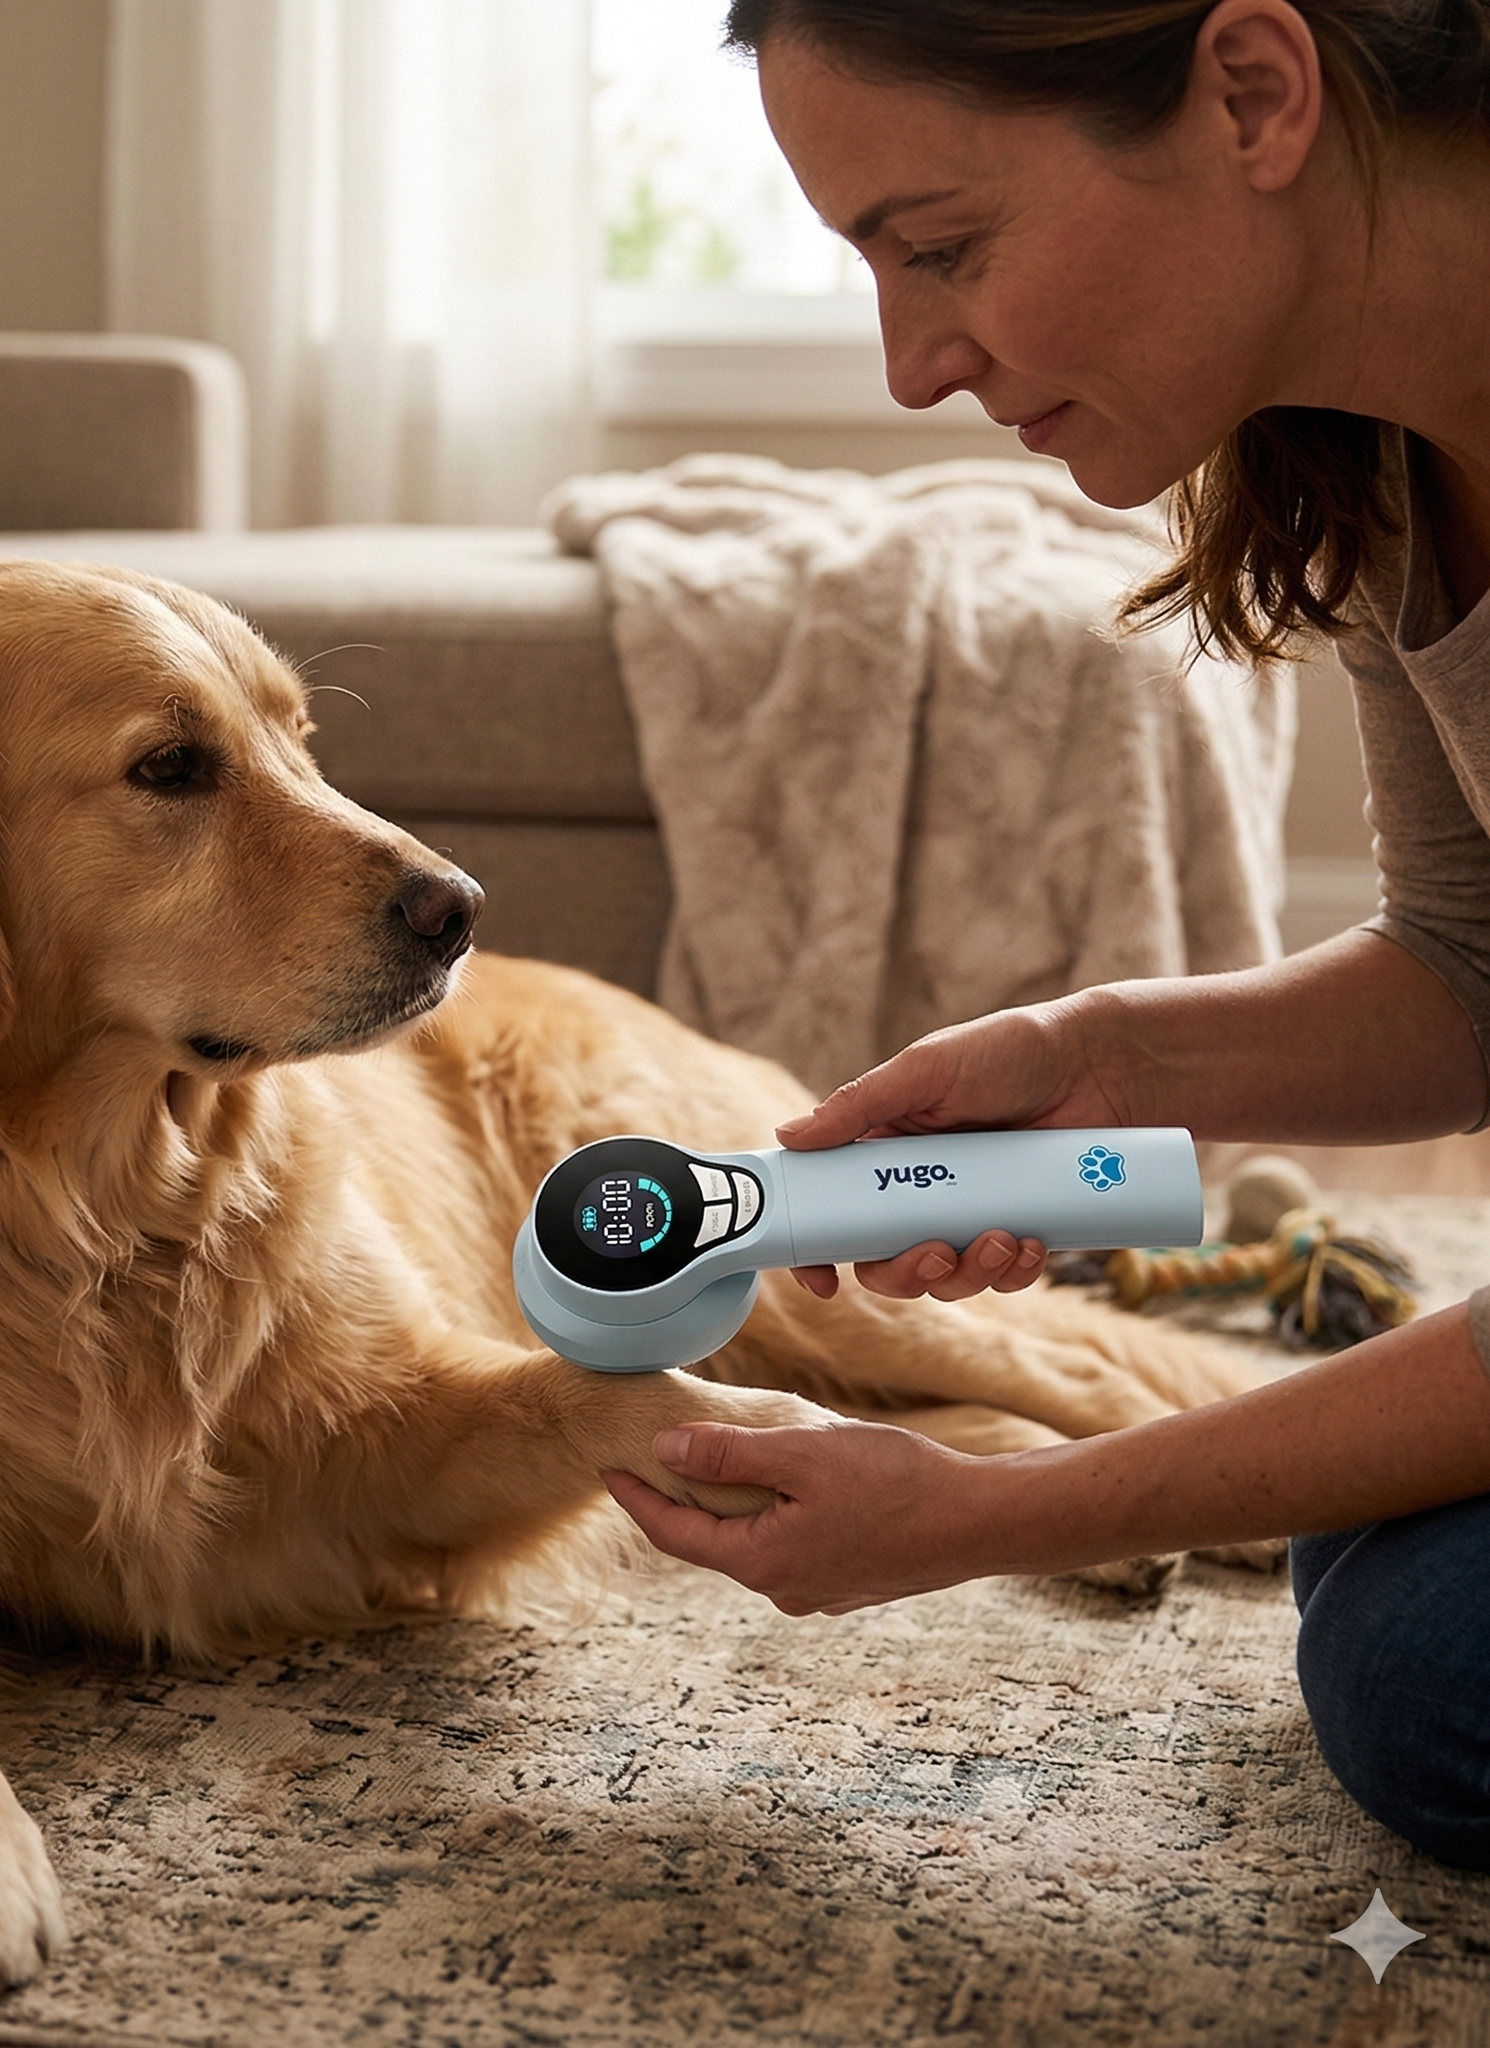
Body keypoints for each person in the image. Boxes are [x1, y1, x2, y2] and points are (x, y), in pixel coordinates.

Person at [602, 0, 1490, 1871]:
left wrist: (985, 1515)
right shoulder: (1396, 460)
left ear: (1255, 92)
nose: (916, 364)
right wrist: (1084, 1062)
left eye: (941, 247)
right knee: (1380, 1540)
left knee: (1436, 1675)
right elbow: (1472, 963)